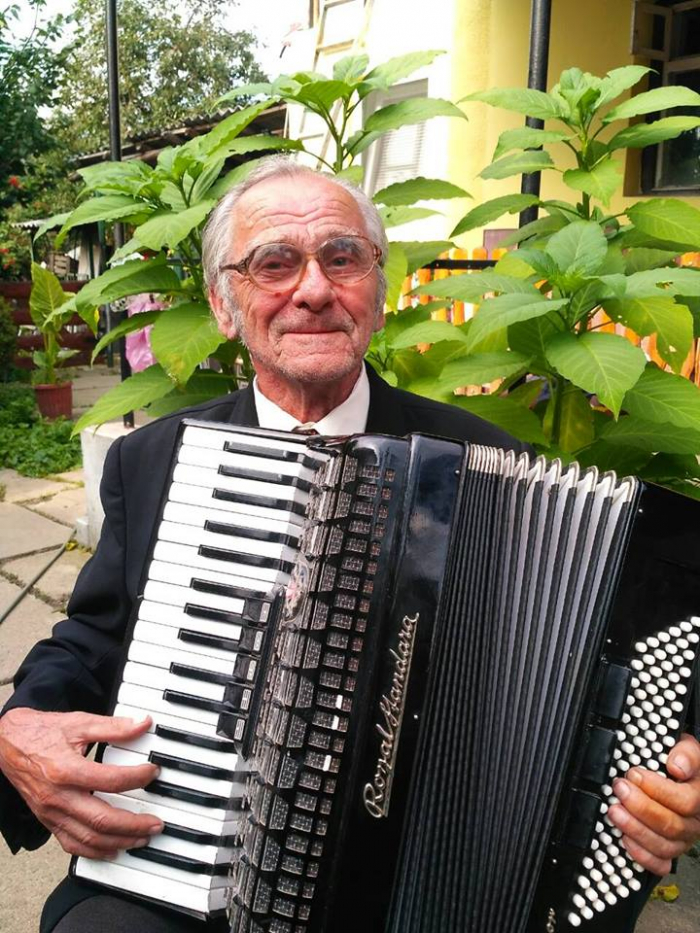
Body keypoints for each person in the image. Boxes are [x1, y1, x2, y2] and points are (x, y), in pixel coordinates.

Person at [0, 159, 698, 933]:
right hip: (190, 858)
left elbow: (592, 654)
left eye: (342, 257)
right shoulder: (153, 460)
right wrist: (21, 725)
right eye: (274, 262)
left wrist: (671, 779)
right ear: (222, 306)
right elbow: (92, 641)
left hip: (419, 885)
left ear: (378, 285)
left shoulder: (488, 466)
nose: (313, 289)